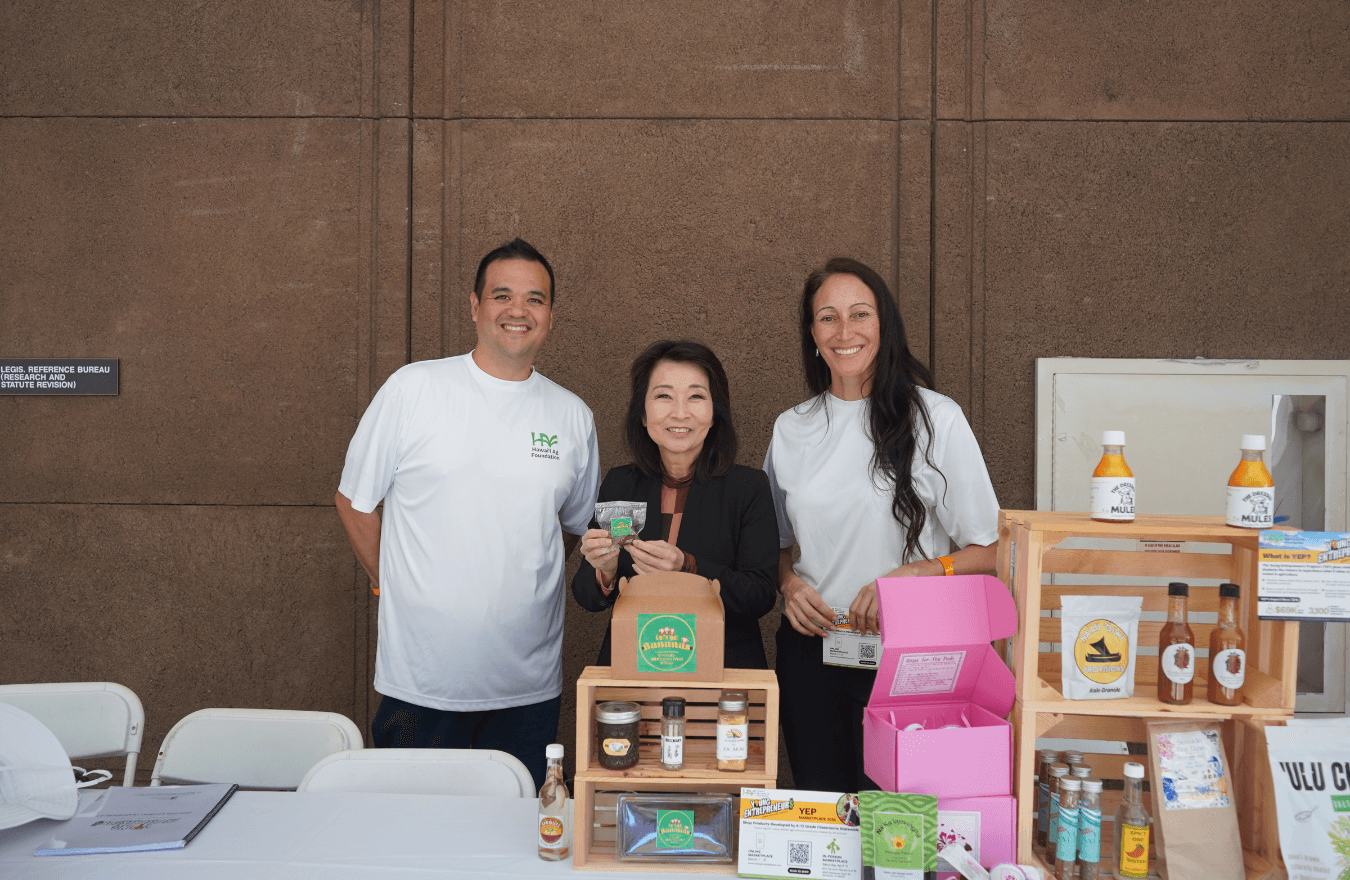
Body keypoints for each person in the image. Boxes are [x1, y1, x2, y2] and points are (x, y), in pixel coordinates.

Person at [335, 238, 600, 788]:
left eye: (535, 298)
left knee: (515, 838)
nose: (518, 310)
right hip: (421, 681)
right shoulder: (415, 389)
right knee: (409, 839)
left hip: (527, 683)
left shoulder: (572, 415)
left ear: (550, 315)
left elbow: (573, 528)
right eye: (502, 295)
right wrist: (388, 584)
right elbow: (354, 501)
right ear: (474, 306)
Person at [763, 257, 999, 793]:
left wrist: (917, 574)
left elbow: (992, 548)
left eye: (859, 314)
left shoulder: (935, 419)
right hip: (813, 650)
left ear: (884, 324)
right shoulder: (791, 428)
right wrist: (788, 584)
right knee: (825, 816)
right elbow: (774, 544)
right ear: (812, 333)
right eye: (827, 317)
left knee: (898, 831)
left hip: (911, 655)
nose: (844, 332)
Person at [572, 340, 778, 669]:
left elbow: (761, 594)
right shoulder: (622, 484)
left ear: (714, 413)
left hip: (722, 671)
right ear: (642, 412)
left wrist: (688, 567)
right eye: (663, 396)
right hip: (632, 666)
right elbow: (586, 594)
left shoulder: (747, 487)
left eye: (696, 396)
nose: (680, 412)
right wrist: (605, 571)